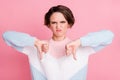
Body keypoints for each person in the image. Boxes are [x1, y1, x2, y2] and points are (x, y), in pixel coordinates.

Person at [2, 5, 114, 80]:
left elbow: (109, 36)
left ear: (69, 24)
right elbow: (7, 36)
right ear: (49, 25)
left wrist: (80, 42)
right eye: (54, 22)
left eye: (62, 22)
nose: (58, 26)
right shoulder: (37, 47)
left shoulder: (80, 48)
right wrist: (34, 41)